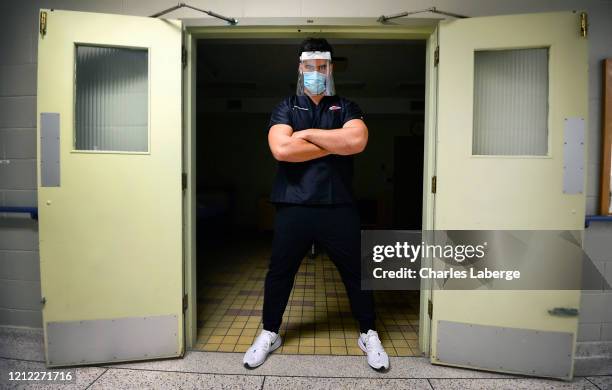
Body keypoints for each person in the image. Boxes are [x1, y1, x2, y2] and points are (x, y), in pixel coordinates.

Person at [243, 38, 389, 371]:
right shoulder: (285, 107)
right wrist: (335, 143)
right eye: (309, 67)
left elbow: (358, 141)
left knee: (357, 274)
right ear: (300, 69)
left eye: (322, 67)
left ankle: (368, 332)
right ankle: (269, 332)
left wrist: (304, 135)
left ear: (330, 69)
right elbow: (282, 151)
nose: (315, 73)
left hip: (339, 206)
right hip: (293, 205)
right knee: (280, 274)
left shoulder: (347, 106)